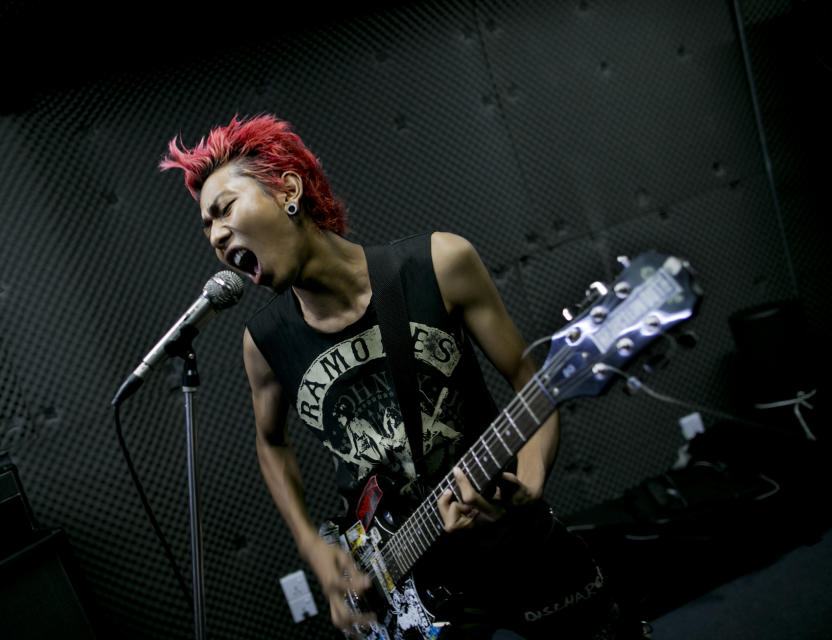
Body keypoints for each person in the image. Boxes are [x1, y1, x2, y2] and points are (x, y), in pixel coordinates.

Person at [160, 114, 646, 639]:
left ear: (288, 190)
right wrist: (317, 552)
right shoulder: (265, 342)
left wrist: (526, 487)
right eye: (206, 225)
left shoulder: (438, 263)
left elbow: (532, 381)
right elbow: (270, 445)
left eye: (223, 209)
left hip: (511, 544)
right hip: (391, 571)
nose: (215, 234)